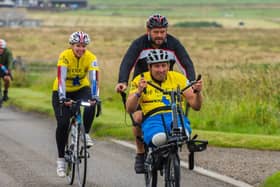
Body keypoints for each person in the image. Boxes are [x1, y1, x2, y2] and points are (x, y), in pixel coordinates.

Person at [115, 13, 196, 173]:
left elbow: (186, 64)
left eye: (162, 32)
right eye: (156, 32)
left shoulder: (173, 44)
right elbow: (128, 62)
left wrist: (191, 84)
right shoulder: (139, 44)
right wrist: (123, 82)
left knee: (172, 113)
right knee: (138, 118)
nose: (159, 35)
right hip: (142, 84)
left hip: (164, 85)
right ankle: (140, 153)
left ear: (166, 31)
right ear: (148, 31)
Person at [126, 49, 202, 151]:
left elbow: (196, 106)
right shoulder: (140, 79)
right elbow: (130, 108)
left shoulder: (179, 78)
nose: (161, 70)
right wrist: (138, 92)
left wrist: (198, 92)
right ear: (149, 67)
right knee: (159, 138)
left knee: (183, 135)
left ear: (169, 66)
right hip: (153, 118)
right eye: (157, 66)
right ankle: (142, 155)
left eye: (164, 65)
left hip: (176, 116)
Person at [52, 31, 100, 177]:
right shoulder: (65, 56)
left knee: (91, 103)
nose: (81, 49)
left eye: (84, 46)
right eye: (78, 45)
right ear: (72, 45)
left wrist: (95, 96)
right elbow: (61, 78)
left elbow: (94, 79)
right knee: (62, 124)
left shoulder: (91, 57)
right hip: (62, 91)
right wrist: (62, 97)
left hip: (81, 89)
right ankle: (60, 160)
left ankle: (85, 134)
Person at [0, 39, 13, 104]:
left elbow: (10, 62)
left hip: (5, 69)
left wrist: (9, 71)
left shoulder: (8, 52)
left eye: (1, 48)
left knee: (7, 79)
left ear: (4, 48)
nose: (0, 50)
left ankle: (5, 92)